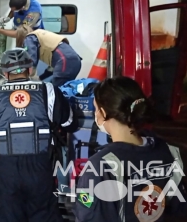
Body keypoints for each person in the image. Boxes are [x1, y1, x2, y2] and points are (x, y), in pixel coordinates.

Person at [74, 76, 187, 222]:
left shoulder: (99, 166)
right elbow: (179, 209)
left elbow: (88, 217)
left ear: (104, 113)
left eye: (96, 109)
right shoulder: (170, 152)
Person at [0, 48, 74, 222]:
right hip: (40, 164)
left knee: (7, 214)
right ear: (30, 69)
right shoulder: (49, 90)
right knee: (44, 213)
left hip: (7, 167)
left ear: (4, 72)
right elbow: (69, 122)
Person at [15, 24, 82, 87]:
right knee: (64, 89)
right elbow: (52, 68)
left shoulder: (29, 37)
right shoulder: (39, 35)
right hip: (75, 61)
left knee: (56, 91)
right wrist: (40, 78)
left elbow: (31, 60)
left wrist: (25, 78)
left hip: (64, 60)